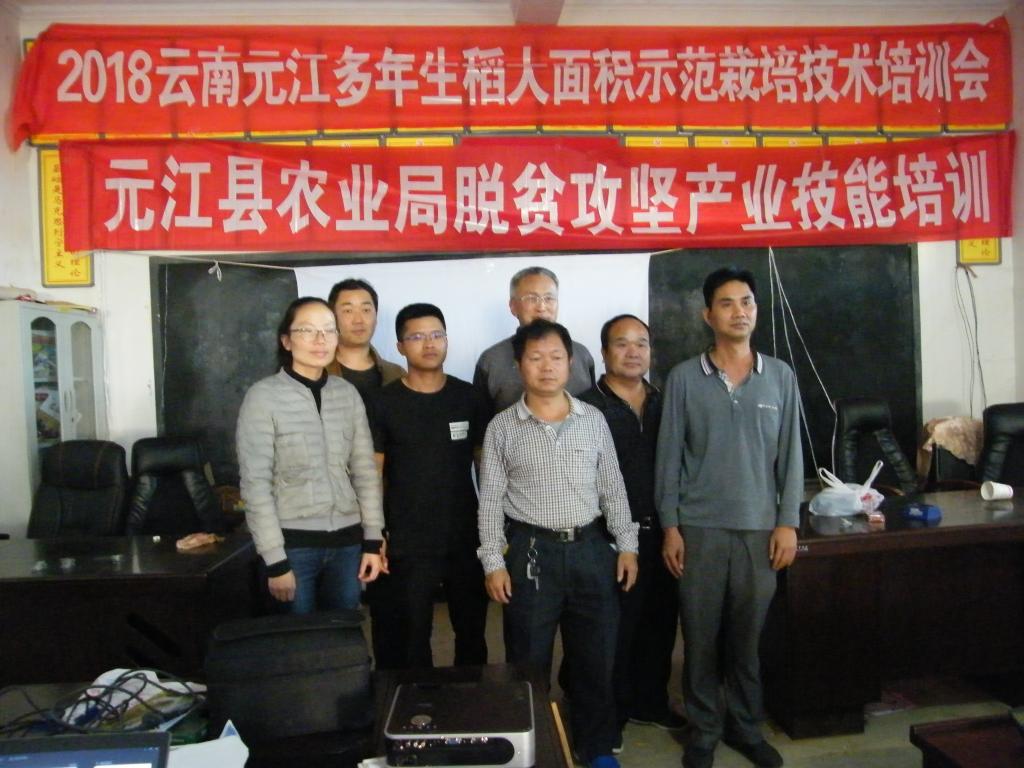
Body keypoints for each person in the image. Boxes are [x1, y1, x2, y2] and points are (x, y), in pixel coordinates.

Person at [655, 268, 802, 768]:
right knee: (699, 638)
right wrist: (671, 527)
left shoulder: (779, 376)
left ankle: (745, 727)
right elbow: (669, 458)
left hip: (760, 529)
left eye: (747, 302)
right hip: (699, 530)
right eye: (727, 303)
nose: (740, 312)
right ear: (707, 315)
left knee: (747, 639)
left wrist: (787, 521)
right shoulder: (683, 378)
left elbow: (792, 456)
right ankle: (703, 731)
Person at [477, 318, 638, 768]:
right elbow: (490, 500)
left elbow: (613, 488)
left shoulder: (593, 420)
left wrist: (627, 545)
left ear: (570, 363)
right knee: (528, 662)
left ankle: (596, 746)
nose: (546, 367)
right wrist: (493, 561)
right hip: (532, 554)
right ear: (519, 365)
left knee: (595, 659)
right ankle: (530, 749)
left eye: (556, 357)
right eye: (535, 358)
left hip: (592, 550)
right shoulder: (502, 427)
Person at [236, 296, 386, 614]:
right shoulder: (263, 397)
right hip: (293, 546)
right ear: (286, 340)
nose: (320, 339)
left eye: (329, 330)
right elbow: (255, 483)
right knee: (295, 636)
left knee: (342, 633)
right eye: (307, 330)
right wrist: (274, 559)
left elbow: (364, 471)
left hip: (347, 544)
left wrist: (373, 539)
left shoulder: (347, 394)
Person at [579, 314, 684, 748]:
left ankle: (650, 702)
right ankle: (611, 713)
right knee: (612, 631)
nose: (633, 351)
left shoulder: (665, 402)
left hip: (664, 532)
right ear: (604, 353)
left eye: (641, 343)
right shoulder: (585, 408)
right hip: (609, 538)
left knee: (659, 624)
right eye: (622, 343)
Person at [368, 303, 490, 669]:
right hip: (408, 539)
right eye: (417, 336)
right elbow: (373, 474)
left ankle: (471, 697)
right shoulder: (383, 403)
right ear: (400, 346)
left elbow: (487, 468)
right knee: (412, 635)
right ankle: (419, 701)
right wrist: (376, 533)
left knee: (472, 631)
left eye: (437, 334)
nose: (429, 343)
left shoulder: (469, 397)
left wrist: (493, 530)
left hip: (464, 533)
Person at [473, 266, 595, 417]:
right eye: (531, 298)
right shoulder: (491, 360)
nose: (542, 307)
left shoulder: (582, 355)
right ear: (513, 306)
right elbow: (481, 423)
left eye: (549, 298)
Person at [326, 278, 405, 401]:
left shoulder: (396, 375)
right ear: (332, 318)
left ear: (376, 317)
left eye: (366, 310)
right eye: (348, 311)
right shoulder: (317, 373)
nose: (358, 320)